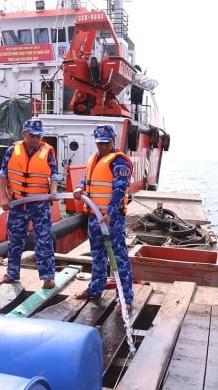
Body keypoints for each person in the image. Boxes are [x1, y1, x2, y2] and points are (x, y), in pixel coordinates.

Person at [73, 124, 134, 314]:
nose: (103, 146)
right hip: (93, 216)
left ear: (113, 140)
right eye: (99, 143)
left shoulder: (119, 162)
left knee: (118, 257)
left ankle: (125, 298)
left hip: (111, 218)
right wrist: (80, 187)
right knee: (97, 255)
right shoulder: (94, 158)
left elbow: (119, 189)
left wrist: (110, 213)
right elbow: (86, 178)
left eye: (106, 143)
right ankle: (95, 288)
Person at [0, 118, 59, 289]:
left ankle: (48, 276)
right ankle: (12, 273)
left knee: (44, 240)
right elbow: (3, 175)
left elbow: (54, 175)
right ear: (24, 134)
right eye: (32, 136)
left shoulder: (48, 152)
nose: (35, 140)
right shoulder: (12, 150)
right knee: (14, 239)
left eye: (38, 136)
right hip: (17, 204)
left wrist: (53, 191)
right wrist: (4, 197)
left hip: (40, 205)